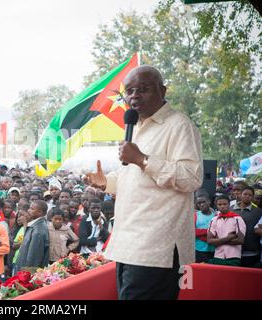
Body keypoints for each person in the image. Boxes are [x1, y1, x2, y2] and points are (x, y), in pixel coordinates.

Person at [85, 65, 203, 300]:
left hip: (157, 247)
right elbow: (134, 180)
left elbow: (191, 177)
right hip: (130, 244)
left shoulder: (179, 125)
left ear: (163, 90)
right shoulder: (134, 128)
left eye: (143, 89)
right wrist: (105, 183)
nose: (134, 96)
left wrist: (142, 159)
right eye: (129, 91)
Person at [207, 195, 246, 266]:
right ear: (216, 205)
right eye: (220, 204)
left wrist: (218, 241)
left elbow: (240, 240)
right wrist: (228, 238)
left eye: (225, 204)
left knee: (232, 277)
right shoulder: (214, 220)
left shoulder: (237, 219)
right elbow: (209, 240)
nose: (222, 206)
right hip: (218, 256)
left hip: (233, 256)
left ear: (229, 204)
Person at [230, 186, 262, 267]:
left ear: (253, 197)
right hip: (233, 249)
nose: (247, 196)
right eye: (245, 194)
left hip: (251, 251)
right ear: (240, 195)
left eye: (250, 195)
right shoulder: (230, 209)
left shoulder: (258, 211)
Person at [16, 200, 50, 273]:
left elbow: (34, 258)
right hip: (23, 268)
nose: (28, 210)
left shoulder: (38, 230)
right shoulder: (35, 226)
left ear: (40, 212)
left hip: (27, 272)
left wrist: (27, 274)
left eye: (32, 209)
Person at [194, 194, 217, 263]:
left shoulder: (216, 216)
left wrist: (200, 233)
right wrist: (209, 232)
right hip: (199, 250)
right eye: (199, 203)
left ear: (209, 201)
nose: (201, 205)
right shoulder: (195, 215)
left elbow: (219, 232)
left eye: (203, 202)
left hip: (214, 250)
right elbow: (192, 232)